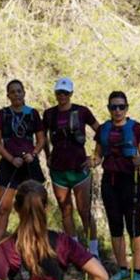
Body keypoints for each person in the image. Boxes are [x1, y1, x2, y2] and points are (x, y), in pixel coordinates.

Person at [0, 79, 45, 264]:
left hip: (29, 163)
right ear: (8, 95)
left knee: (33, 207)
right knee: (3, 207)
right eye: (13, 92)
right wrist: (11, 158)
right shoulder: (2, 114)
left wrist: (33, 154)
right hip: (9, 164)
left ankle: (34, 247)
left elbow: (41, 139)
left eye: (19, 91)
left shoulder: (33, 114)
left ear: (24, 93)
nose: (17, 94)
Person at [92, 91, 140, 280]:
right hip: (110, 180)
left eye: (121, 106)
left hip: (130, 180)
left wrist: (138, 161)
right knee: (115, 225)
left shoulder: (136, 128)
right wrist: (92, 162)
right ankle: (123, 268)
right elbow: (98, 155)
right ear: (108, 108)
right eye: (113, 107)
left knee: (133, 226)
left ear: (127, 107)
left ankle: (138, 271)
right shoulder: (104, 129)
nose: (117, 110)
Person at [43, 78, 100, 255]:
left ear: (71, 94)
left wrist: (96, 156)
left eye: (66, 93)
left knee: (84, 211)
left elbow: (101, 130)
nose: (62, 96)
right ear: (55, 94)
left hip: (79, 168)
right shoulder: (49, 114)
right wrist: (47, 155)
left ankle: (93, 251)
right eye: (59, 92)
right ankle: (74, 250)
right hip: (59, 170)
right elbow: (42, 136)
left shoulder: (82, 111)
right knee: (65, 210)